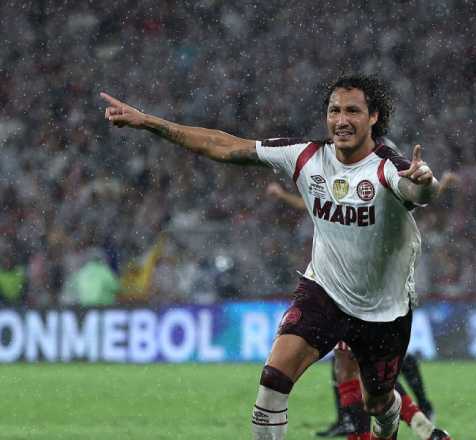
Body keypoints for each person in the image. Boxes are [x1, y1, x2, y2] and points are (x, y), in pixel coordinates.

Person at [101, 73, 442, 440]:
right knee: (273, 381)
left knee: (378, 403)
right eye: (334, 110)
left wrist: (425, 184)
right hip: (324, 293)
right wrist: (150, 122)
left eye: (353, 111)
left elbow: (419, 191)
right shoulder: (306, 157)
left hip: (383, 310)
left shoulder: (387, 165)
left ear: (373, 117)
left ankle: (389, 424)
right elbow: (222, 145)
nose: (341, 120)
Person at [265, 181, 450, 440]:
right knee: (365, 371)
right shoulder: (378, 171)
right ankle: (423, 425)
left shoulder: (371, 171)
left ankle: (420, 427)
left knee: (360, 373)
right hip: (377, 290)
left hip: (356, 291)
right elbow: (417, 197)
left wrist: (284, 195)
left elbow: (320, 206)